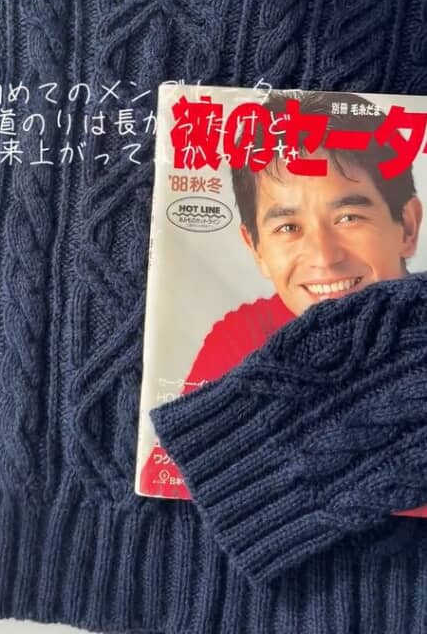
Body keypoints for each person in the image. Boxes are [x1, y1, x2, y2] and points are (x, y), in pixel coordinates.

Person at [139, 89, 424, 499]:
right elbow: (174, 479)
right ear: (255, 248)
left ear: (407, 227)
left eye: (349, 217)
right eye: (288, 228)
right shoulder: (243, 334)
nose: (324, 257)